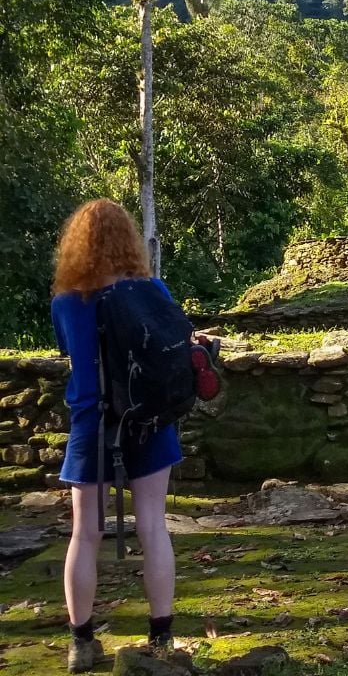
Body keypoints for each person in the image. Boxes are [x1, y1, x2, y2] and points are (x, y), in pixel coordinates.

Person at [51, 199, 183, 673]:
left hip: (91, 424)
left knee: (85, 534)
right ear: (129, 239)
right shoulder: (152, 288)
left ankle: (81, 643)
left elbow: (72, 353)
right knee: (153, 527)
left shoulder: (67, 302)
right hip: (149, 422)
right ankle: (161, 638)